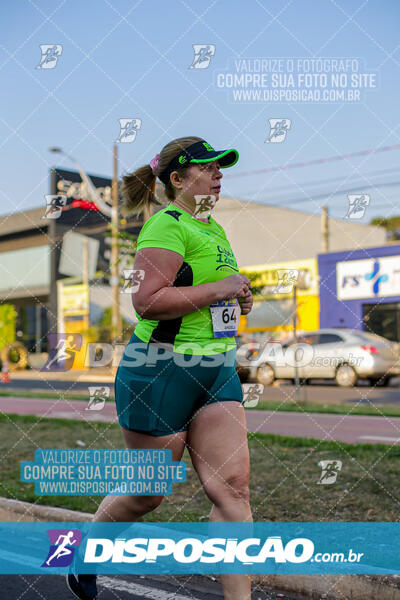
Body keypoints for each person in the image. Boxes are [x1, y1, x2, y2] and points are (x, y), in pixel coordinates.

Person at [66, 136, 254, 600]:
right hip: (160, 369)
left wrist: (239, 294)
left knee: (233, 490)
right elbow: (146, 302)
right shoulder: (164, 226)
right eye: (208, 168)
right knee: (149, 493)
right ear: (178, 179)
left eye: (220, 167)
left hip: (216, 370)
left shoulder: (212, 227)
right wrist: (219, 289)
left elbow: (209, 291)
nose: (219, 174)